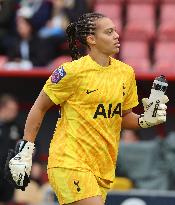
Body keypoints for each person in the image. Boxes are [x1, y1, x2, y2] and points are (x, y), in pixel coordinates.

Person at [5, 13, 169, 205]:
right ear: (91, 39)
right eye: (109, 32)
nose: (117, 35)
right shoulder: (71, 72)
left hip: (103, 167)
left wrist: (144, 120)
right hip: (70, 162)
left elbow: (122, 117)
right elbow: (39, 108)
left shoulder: (126, 73)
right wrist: (25, 151)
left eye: (116, 30)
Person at [0, 94, 23, 204]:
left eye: (16, 110)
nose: (15, 113)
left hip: (9, 174)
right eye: (11, 109)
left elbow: (29, 146)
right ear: (3, 108)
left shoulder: (16, 128)